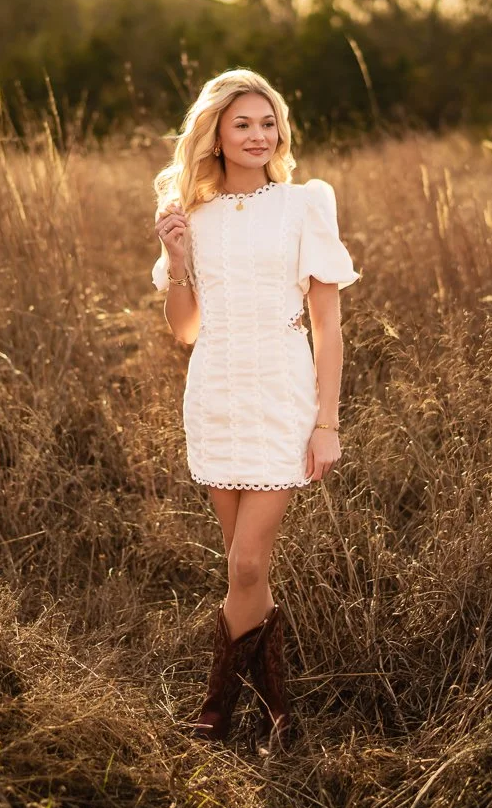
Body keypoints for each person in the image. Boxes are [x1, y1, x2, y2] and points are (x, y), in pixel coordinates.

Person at [149, 68, 360, 752]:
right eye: (243, 123)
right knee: (249, 569)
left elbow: (328, 322)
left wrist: (326, 421)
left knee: (244, 565)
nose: (258, 135)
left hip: (281, 395)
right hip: (216, 392)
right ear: (214, 132)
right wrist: (175, 255)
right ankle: (280, 715)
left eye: (267, 124)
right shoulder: (193, 214)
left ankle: (215, 709)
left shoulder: (303, 205)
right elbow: (184, 329)